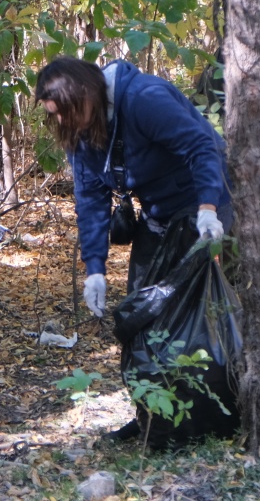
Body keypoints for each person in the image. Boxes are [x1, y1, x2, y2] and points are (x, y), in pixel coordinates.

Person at [35, 56, 233, 318]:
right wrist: (95, 270)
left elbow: (201, 147)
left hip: (203, 201)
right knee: (141, 307)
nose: (62, 121)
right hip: (156, 212)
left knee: (187, 310)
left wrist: (208, 207)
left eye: (65, 111)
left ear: (86, 94)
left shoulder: (144, 99)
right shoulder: (80, 135)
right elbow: (91, 200)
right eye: (55, 114)